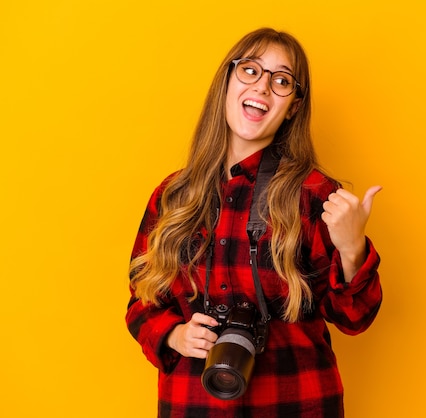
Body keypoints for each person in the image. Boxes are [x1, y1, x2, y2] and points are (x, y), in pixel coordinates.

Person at [126, 27, 382, 418]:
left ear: (293, 106)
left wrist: (353, 247)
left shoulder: (313, 193)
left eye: (281, 81)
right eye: (250, 70)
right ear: (227, 81)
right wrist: (175, 335)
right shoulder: (173, 195)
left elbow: (354, 318)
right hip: (193, 405)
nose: (263, 86)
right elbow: (141, 303)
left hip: (295, 403)